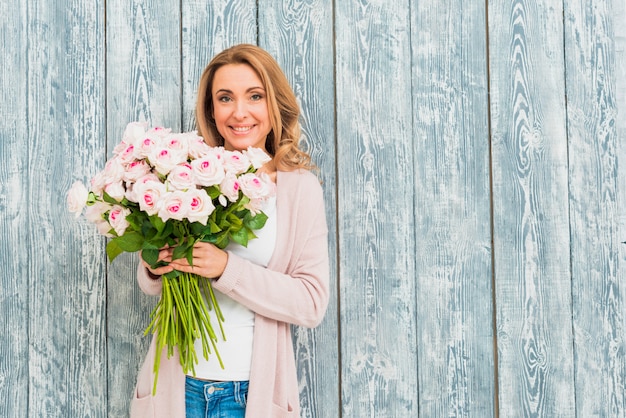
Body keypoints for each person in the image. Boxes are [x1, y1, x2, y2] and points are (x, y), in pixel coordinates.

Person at [129, 44, 330, 418]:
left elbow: (311, 301)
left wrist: (226, 269)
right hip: (176, 386)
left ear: (274, 104)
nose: (239, 112)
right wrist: (155, 263)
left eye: (255, 96)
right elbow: (154, 282)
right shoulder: (183, 174)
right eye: (225, 98)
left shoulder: (300, 189)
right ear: (211, 109)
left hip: (247, 394)